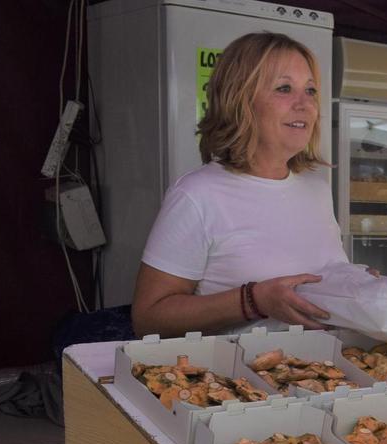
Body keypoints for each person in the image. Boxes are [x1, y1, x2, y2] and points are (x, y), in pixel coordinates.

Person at [132, 33, 345, 338]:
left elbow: (323, 283)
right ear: (239, 99)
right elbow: (148, 319)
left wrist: (357, 288)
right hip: (236, 381)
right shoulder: (197, 195)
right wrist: (253, 301)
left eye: (310, 90)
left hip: (327, 377)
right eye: (284, 88)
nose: (305, 104)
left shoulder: (317, 190)